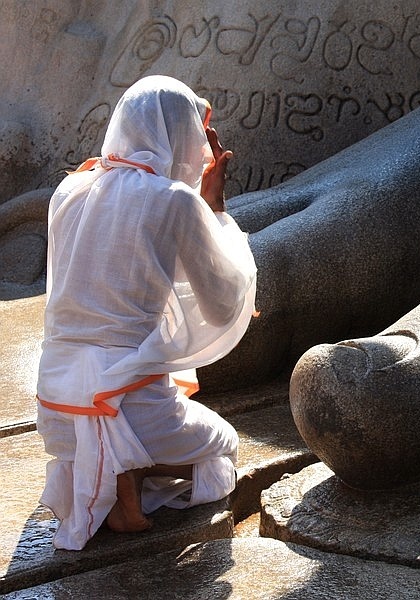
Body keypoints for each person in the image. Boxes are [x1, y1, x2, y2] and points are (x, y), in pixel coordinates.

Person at [35, 75, 257, 551]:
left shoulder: (68, 191)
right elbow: (220, 303)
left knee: (118, 410)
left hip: (56, 411)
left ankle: (120, 479)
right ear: (180, 136)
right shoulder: (173, 200)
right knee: (224, 451)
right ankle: (127, 467)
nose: (200, 153)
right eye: (197, 139)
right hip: (132, 405)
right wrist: (213, 207)